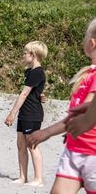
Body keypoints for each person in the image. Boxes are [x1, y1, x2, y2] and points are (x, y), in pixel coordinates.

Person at [27, 18, 96, 194]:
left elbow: (88, 111)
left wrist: (46, 132)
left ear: (91, 43)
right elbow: (78, 115)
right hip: (74, 151)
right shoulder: (88, 74)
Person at [4, 41, 48, 187]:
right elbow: (37, 93)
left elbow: (24, 94)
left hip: (32, 114)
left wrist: (12, 113)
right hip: (25, 113)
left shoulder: (37, 72)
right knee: (21, 145)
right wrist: (41, 96)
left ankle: (38, 179)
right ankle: (23, 177)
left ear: (33, 54)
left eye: (25, 52)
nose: (23, 55)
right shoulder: (29, 72)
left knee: (32, 145)